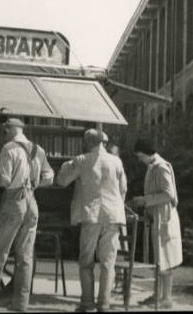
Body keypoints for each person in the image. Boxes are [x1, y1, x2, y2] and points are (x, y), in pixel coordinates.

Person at [0, 117, 54, 312]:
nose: (2, 135)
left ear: (10, 130)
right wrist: (35, 184)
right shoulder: (38, 149)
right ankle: (21, 305)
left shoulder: (9, 149)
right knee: (25, 256)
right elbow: (49, 177)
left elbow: (4, 180)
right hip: (32, 202)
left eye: (4, 131)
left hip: (14, 201)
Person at [56, 129, 127, 312]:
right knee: (107, 262)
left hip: (92, 214)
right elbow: (123, 189)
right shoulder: (116, 161)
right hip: (113, 215)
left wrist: (65, 165)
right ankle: (104, 304)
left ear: (87, 142)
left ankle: (87, 302)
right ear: (103, 142)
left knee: (86, 260)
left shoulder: (81, 160)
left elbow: (62, 181)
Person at [131, 138, 182, 310]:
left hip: (165, 218)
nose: (139, 159)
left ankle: (165, 297)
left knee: (165, 259)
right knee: (161, 259)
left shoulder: (160, 167)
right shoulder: (153, 167)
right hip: (159, 217)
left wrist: (145, 200)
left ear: (146, 153)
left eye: (139, 156)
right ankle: (159, 295)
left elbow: (168, 194)